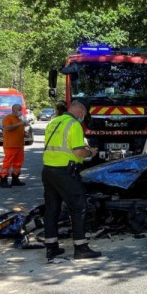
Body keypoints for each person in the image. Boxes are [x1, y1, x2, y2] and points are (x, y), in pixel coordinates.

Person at [41, 100, 101, 260]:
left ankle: (51, 247)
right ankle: (81, 248)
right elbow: (78, 152)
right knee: (79, 207)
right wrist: (91, 153)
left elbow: (59, 146)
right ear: (80, 110)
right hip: (65, 172)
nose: (84, 116)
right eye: (85, 113)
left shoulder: (54, 122)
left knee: (52, 209)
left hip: (48, 170)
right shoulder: (74, 125)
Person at [0, 104, 28, 188]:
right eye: (19, 110)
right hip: (10, 145)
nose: (20, 111)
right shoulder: (8, 118)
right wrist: (20, 124)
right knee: (7, 163)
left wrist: (24, 133)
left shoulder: (19, 119)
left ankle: (15, 179)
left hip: (19, 145)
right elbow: (7, 128)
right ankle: (3, 180)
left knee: (18, 163)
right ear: (14, 109)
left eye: (21, 110)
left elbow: (19, 130)